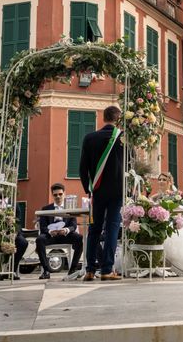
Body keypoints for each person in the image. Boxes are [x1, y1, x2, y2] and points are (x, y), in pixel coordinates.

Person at [79, 105, 124, 281]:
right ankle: (106, 269)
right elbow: (129, 163)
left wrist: (87, 189)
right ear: (118, 119)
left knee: (94, 229)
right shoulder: (122, 138)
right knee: (112, 228)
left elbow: (83, 168)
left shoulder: (89, 138)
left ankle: (90, 269)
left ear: (103, 117)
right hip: (117, 191)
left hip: (97, 191)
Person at [35, 183, 83, 279]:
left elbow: (73, 225)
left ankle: (72, 269)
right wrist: (49, 231)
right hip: (51, 236)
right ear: (52, 195)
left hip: (65, 235)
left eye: (60, 194)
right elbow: (43, 227)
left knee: (79, 238)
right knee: (39, 239)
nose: (58, 196)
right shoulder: (46, 209)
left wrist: (66, 230)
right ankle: (46, 271)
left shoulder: (69, 207)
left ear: (64, 193)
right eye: (55, 195)